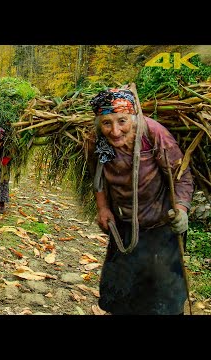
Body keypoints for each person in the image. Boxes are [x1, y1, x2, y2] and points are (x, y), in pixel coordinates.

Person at [87, 87, 194, 315]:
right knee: (121, 297)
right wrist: (103, 207)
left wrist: (182, 209)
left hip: (161, 228)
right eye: (107, 123)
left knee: (165, 301)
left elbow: (181, 176)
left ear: (134, 118)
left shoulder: (154, 133)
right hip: (124, 228)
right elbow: (97, 176)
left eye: (122, 121)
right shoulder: (96, 139)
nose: (115, 131)